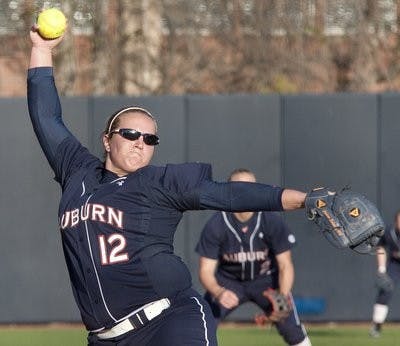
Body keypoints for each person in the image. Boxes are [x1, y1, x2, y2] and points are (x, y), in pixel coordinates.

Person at [27, 28, 310, 346]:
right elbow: (47, 119)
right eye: (130, 134)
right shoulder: (77, 171)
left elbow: (229, 194)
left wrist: (306, 200)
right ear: (107, 140)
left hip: (169, 321)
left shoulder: (159, 183)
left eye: (150, 139)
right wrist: (41, 49)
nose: (140, 144)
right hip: (105, 338)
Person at [196, 169, 311, 346]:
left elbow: (285, 266)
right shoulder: (217, 223)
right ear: (228, 190)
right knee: (200, 326)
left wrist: (282, 297)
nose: (245, 191)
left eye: (250, 186)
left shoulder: (270, 220)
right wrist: (218, 292)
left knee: (291, 329)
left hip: (266, 281)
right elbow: (205, 271)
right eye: (239, 186)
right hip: (228, 281)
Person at [369, 210, 400, 338]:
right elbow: (380, 248)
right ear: (396, 221)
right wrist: (381, 269)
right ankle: (376, 326)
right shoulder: (389, 232)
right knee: (385, 291)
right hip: (395, 264)